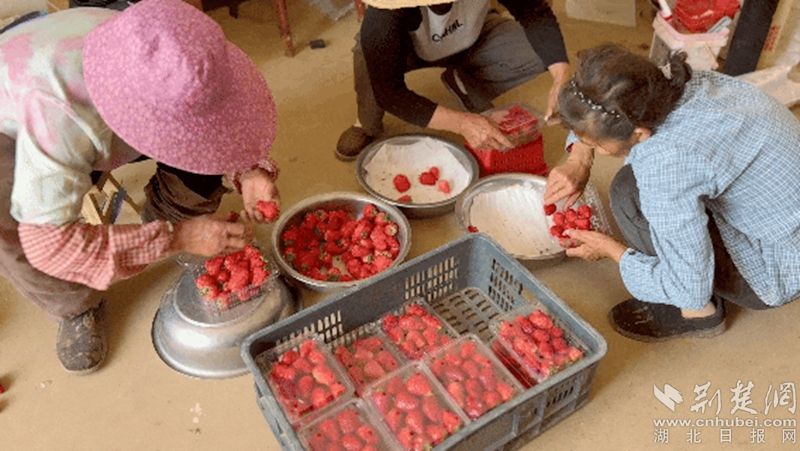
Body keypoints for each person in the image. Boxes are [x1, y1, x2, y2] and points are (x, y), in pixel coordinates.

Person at [0, 0, 291, 374]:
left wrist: (247, 170)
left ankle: (160, 218)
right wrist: (178, 237)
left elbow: (214, 120)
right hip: (13, 110)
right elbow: (48, 245)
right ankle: (75, 306)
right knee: (9, 227)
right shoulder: (63, 118)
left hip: (70, 64)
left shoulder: (160, 44)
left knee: (200, 149)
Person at [544, 44, 800, 342]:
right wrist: (579, 158)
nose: (596, 149)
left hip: (776, 267)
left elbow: (690, 287)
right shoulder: (668, 82)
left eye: (597, 145)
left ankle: (699, 315)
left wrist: (612, 250)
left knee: (628, 194)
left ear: (639, 133)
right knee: (636, 184)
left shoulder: (668, 162)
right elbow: (597, 107)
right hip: (780, 213)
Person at [335, 0, 570, 160]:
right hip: (408, 50)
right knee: (369, 62)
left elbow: (535, 13)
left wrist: (561, 75)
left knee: (536, 54)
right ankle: (365, 124)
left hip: (473, 35)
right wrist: (461, 123)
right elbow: (389, 92)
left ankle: (464, 81)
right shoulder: (385, 13)